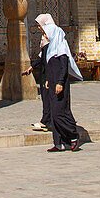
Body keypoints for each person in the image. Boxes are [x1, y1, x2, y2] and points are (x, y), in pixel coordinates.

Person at [35, 13, 82, 152]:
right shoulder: (51, 50)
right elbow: (50, 67)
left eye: (46, 33)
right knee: (54, 113)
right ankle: (59, 143)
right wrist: (49, 80)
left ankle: (73, 136)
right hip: (53, 83)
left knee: (59, 113)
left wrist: (60, 82)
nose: (45, 35)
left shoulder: (61, 50)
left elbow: (63, 68)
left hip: (60, 85)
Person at [24, 22, 51, 133]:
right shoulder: (45, 39)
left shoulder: (53, 41)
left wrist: (51, 78)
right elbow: (41, 56)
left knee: (50, 99)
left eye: (40, 25)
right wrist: (32, 67)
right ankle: (46, 120)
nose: (39, 28)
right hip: (45, 73)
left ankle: (48, 121)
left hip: (50, 74)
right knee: (46, 98)